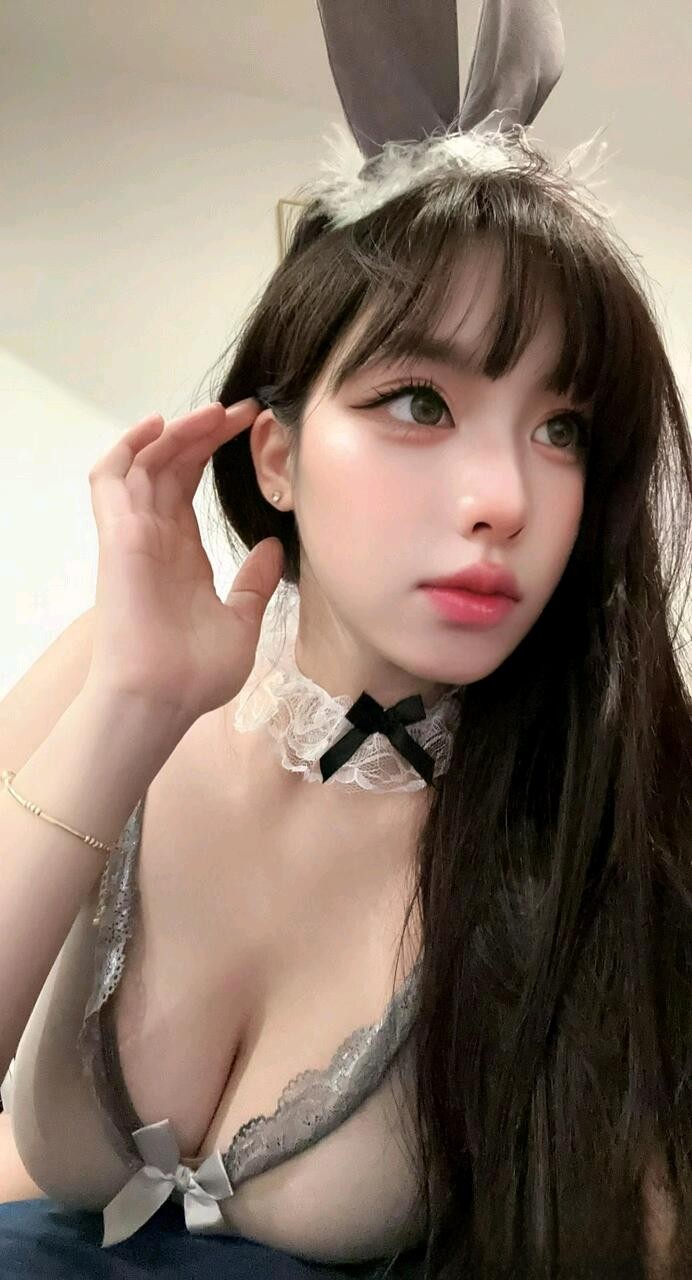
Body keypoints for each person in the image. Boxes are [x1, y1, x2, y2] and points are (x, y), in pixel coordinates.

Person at [1, 3, 691, 1278]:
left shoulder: (589, 809)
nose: (504, 499)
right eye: (418, 401)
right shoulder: (113, 671)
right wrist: (130, 708)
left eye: (561, 429)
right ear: (274, 452)